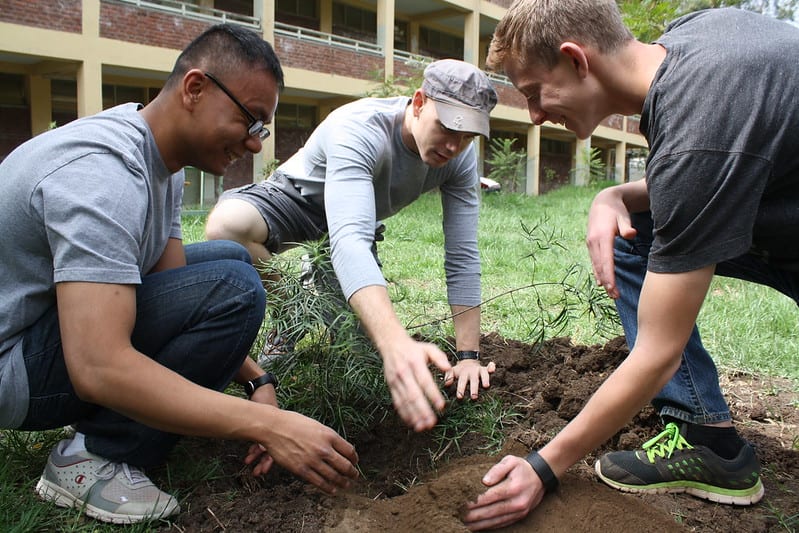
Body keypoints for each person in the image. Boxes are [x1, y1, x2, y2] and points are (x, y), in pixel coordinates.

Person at [0, 24, 359, 525]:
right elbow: (98, 366)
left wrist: (259, 383)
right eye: (251, 121)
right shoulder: (103, 175)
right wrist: (269, 426)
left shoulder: (160, 164)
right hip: (10, 367)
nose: (256, 145)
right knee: (236, 286)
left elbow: (173, 299)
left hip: (44, 335)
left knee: (229, 262)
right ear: (195, 88)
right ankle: (91, 458)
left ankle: (110, 432)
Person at [462, 1, 799, 529]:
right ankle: (706, 440)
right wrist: (612, 196)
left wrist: (545, 466)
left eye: (533, 94)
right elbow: (717, 171)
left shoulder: (699, 121)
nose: (533, 115)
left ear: (577, 59)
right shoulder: (694, 39)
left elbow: (659, 353)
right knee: (633, 233)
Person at [205, 59, 499, 431]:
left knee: (361, 359)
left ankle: (319, 293)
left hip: (354, 221)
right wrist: (395, 342)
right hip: (295, 203)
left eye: (468, 136)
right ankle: (294, 313)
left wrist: (468, 356)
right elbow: (350, 243)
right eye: (446, 128)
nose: (454, 145)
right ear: (421, 102)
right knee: (226, 227)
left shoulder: (459, 159)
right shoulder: (359, 128)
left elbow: (462, 254)